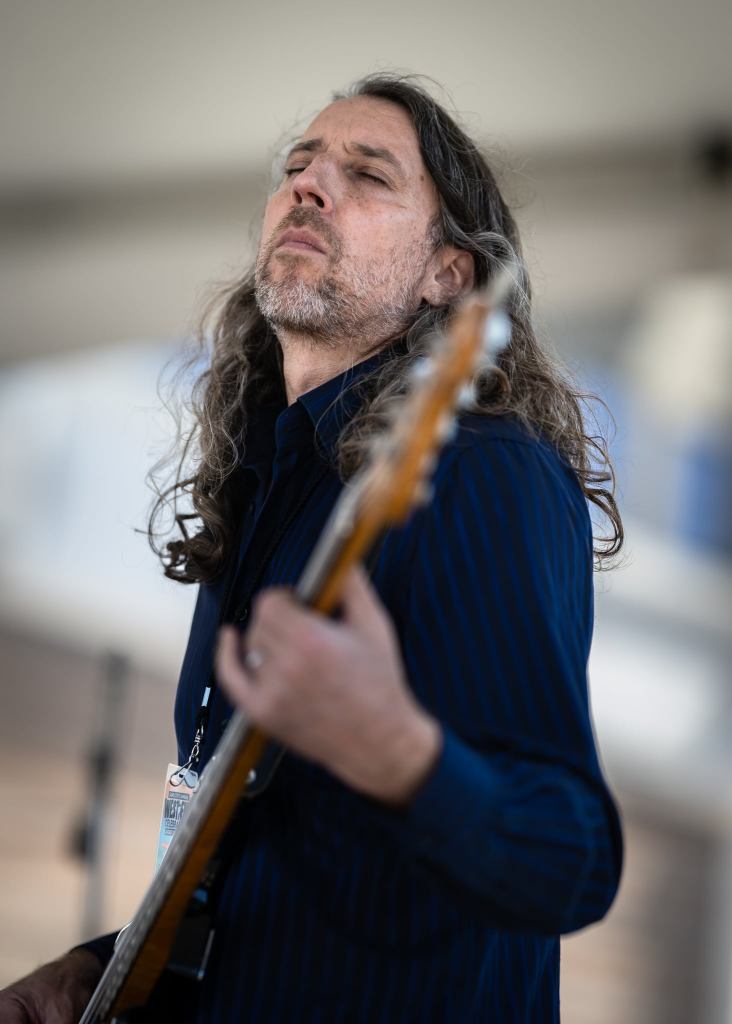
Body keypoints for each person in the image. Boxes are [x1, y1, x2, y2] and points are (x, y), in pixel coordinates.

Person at [0, 73, 623, 1022]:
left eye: (367, 175)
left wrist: (398, 749)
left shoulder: (484, 472)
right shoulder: (259, 490)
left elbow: (569, 860)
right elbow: (247, 864)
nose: (308, 185)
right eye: (297, 165)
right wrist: (101, 968)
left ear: (447, 275)